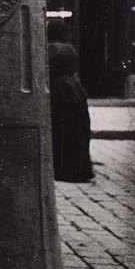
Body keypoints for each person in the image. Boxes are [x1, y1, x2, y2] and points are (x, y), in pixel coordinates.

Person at [48, 19, 93, 182]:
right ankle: (79, 169)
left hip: (59, 92)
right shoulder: (70, 48)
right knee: (76, 132)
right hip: (75, 91)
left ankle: (63, 170)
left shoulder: (51, 48)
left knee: (61, 132)